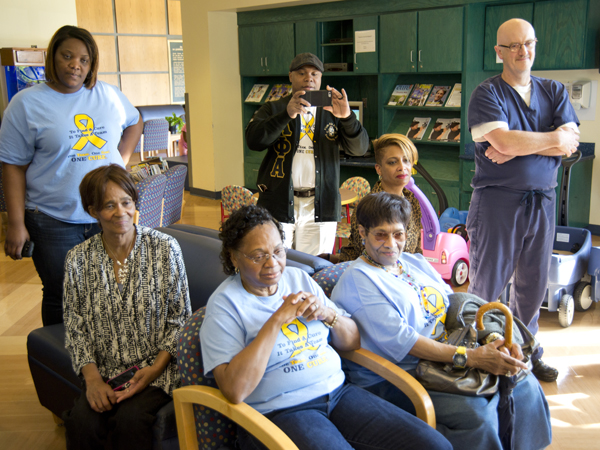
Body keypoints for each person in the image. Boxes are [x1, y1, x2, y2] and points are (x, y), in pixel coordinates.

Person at [200, 204, 451, 450]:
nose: (272, 263)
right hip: (281, 412)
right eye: (258, 255)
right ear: (234, 256)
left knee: (435, 444)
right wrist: (275, 321)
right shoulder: (224, 305)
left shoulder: (298, 278)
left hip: (339, 393)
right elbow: (234, 390)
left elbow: (352, 341)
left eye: (278, 251)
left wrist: (328, 314)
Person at [331, 192, 552, 450]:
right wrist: (473, 358)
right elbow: (405, 342)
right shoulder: (358, 279)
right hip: (400, 374)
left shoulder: (413, 262)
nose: (391, 243)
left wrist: (493, 341)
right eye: (380, 234)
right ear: (362, 232)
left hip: (444, 358)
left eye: (398, 234)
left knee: (522, 382)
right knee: (477, 416)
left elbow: (453, 306)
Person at [0, 25, 143, 326]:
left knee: (111, 288)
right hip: (53, 219)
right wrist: (15, 224)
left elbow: (135, 121)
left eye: (84, 60)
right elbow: (12, 165)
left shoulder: (108, 95)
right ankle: (60, 363)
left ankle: (102, 356)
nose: (75, 65)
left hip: (109, 215)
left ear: (92, 64)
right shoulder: (26, 104)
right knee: (62, 293)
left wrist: (120, 162)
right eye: (67, 56)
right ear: (52, 57)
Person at [466, 18, 580, 382]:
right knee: (488, 285)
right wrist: (547, 141)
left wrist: (517, 145)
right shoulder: (487, 94)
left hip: (542, 202)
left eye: (527, 43)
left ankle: (527, 353)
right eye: (513, 46)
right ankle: (482, 353)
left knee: (533, 286)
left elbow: (570, 140)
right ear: (498, 51)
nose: (522, 51)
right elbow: (505, 143)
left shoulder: (554, 91)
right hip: (497, 202)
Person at [62, 164, 191, 450]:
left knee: (131, 421)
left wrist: (155, 370)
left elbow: (180, 319)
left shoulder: (165, 248)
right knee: (82, 422)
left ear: (135, 203)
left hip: (157, 368)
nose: (120, 212)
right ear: (92, 210)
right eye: (109, 205)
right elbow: (75, 325)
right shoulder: (78, 259)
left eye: (126, 202)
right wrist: (93, 380)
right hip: (105, 368)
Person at [245, 52, 369, 255]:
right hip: (278, 202)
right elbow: (254, 141)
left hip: (320, 206)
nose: (308, 78)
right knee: (275, 264)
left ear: (320, 79)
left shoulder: (333, 110)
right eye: (301, 72)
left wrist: (347, 117)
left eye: (314, 73)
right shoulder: (274, 107)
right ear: (290, 76)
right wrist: (287, 114)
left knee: (314, 267)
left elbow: (359, 149)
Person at [320, 133, 423, 263]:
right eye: (392, 162)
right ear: (379, 169)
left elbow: (417, 250)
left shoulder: (412, 200)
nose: (402, 168)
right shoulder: (369, 207)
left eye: (406, 160)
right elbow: (367, 258)